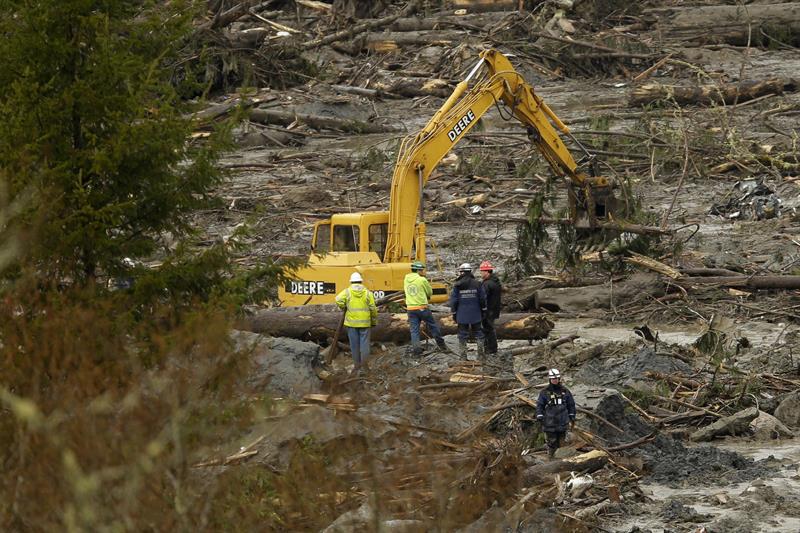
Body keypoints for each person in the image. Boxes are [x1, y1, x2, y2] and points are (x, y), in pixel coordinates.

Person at [335, 272, 378, 370]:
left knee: (354, 346)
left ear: (351, 281)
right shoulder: (367, 293)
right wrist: (374, 321)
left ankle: (356, 366)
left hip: (351, 323)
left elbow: (337, 299)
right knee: (365, 345)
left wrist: (344, 306)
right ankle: (365, 367)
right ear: (361, 281)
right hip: (365, 323)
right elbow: (373, 308)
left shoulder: (347, 292)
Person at [404, 261, 448, 356]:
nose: (423, 272)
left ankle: (417, 350)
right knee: (433, 326)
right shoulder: (422, 280)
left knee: (414, 330)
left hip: (411, 308)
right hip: (422, 307)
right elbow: (429, 292)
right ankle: (442, 346)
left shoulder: (406, 279)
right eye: (422, 270)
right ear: (418, 270)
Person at [535, 368, 576, 459]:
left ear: (559, 379)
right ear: (550, 379)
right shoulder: (544, 392)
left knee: (562, 443)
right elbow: (540, 405)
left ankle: (562, 461)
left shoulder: (565, 391)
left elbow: (571, 404)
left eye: (556, 378)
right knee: (552, 444)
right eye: (553, 379)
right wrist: (539, 415)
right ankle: (551, 460)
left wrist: (572, 415)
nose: (555, 380)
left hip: (563, 422)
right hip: (550, 423)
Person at [449, 263, 487, 358]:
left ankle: (463, 356)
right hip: (476, 313)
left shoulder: (457, 285)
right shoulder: (478, 284)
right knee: (479, 333)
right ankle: (481, 354)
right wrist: (483, 310)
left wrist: (454, 312)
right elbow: (482, 298)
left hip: (462, 314)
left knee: (462, 335)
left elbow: (454, 300)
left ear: (462, 272)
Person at [479, 260, 502, 356]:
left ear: (487, 272)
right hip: (494, 309)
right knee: (490, 329)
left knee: (487, 329)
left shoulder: (487, 284)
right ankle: (492, 348)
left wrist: (482, 309)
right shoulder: (496, 282)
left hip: (488, 310)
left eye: (482, 271)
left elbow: (483, 298)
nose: (481, 273)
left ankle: (490, 349)